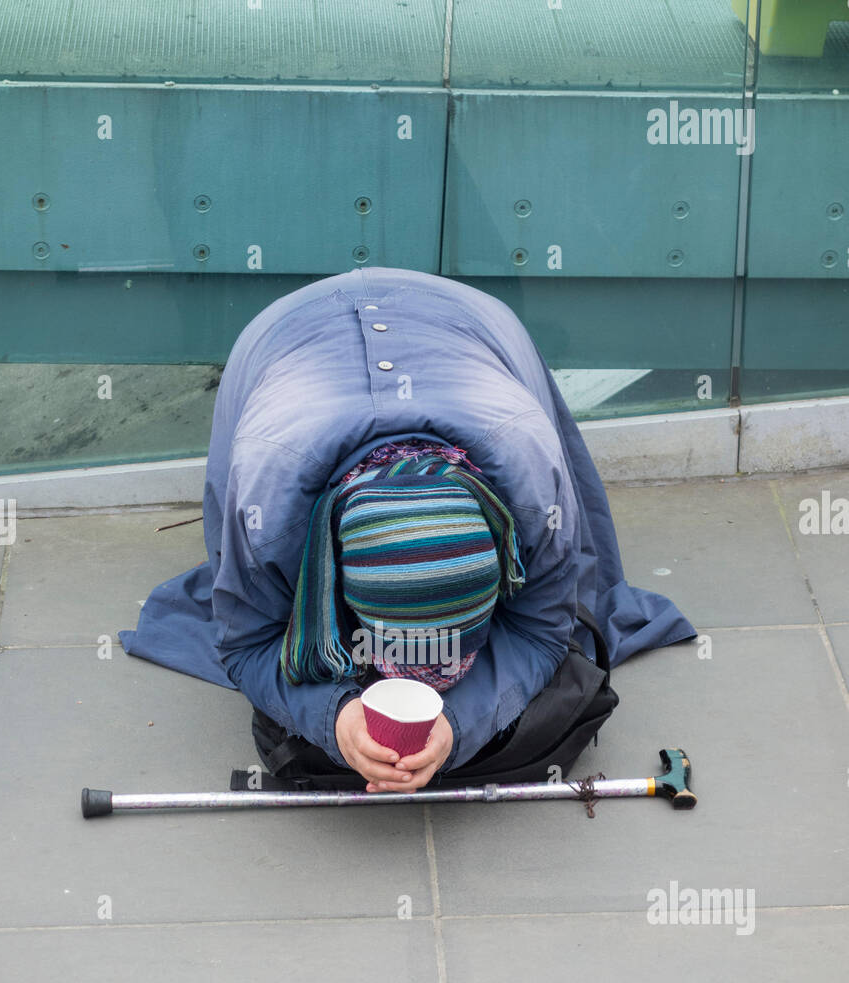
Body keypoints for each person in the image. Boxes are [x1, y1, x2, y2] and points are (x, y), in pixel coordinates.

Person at [119, 267, 694, 792]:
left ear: (504, 554)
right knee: (242, 591)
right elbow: (245, 639)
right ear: (333, 573)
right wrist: (337, 718)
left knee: (572, 594)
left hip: (469, 319)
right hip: (280, 336)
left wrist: (457, 725)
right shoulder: (269, 510)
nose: (439, 683)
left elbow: (544, 627)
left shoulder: (531, 485)